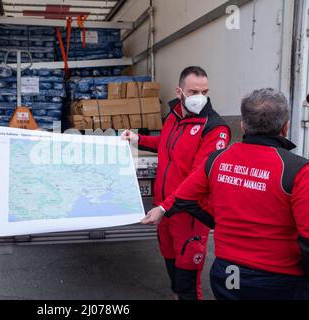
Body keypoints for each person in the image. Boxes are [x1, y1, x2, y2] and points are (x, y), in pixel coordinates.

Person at [142, 88, 309, 300]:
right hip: (279, 278)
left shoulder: (217, 160)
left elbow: (184, 197)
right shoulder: (298, 170)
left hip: (228, 273)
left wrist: (216, 221)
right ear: (285, 127)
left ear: (242, 124)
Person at [122, 66, 231, 300]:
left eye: (205, 91)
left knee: (187, 282)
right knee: (171, 266)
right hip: (164, 207)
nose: (200, 98)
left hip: (188, 213)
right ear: (179, 91)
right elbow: (167, 143)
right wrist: (139, 139)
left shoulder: (214, 128)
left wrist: (164, 207)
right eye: (193, 92)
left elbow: (198, 178)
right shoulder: (174, 115)